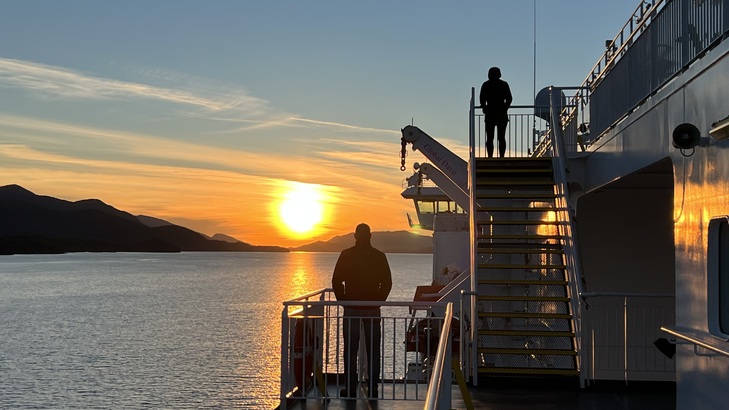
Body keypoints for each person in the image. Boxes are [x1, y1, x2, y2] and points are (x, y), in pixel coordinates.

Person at [332, 223, 392, 399]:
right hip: (372, 310)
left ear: (355, 236)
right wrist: (377, 301)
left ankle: (350, 388)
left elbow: (336, 281)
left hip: (351, 309)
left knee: (350, 350)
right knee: (373, 350)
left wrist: (344, 301)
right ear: (370, 236)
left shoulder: (346, 255)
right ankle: (373, 389)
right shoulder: (379, 256)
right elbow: (387, 283)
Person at [479, 66, 513, 158]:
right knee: (499, 138)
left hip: (492, 114)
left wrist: (485, 108)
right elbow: (509, 98)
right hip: (499, 114)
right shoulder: (503, 84)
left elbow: (482, 98)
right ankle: (500, 156)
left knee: (492, 138)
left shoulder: (486, 84)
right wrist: (505, 108)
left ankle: (492, 156)